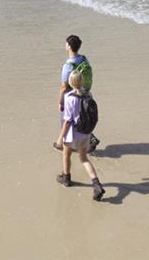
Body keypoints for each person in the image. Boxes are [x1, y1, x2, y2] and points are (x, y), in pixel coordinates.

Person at [56, 70, 106, 201]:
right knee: (84, 159)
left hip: (72, 134)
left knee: (66, 154)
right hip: (86, 133)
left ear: (70, 83)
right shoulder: (88, 94)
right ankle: (96, 184)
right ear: (82, 82)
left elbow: (67, 121)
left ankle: (66, 177)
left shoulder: (69, 97)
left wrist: (60, 138)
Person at [54, 34, 100, 153]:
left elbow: (63, 87)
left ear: (69, 46)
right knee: (84, 118)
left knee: (68, 121)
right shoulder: (84, 59)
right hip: (86, 93)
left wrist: (60, 102)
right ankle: (89, 138)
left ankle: (64, 144)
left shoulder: (68, 66)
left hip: (73, 97)